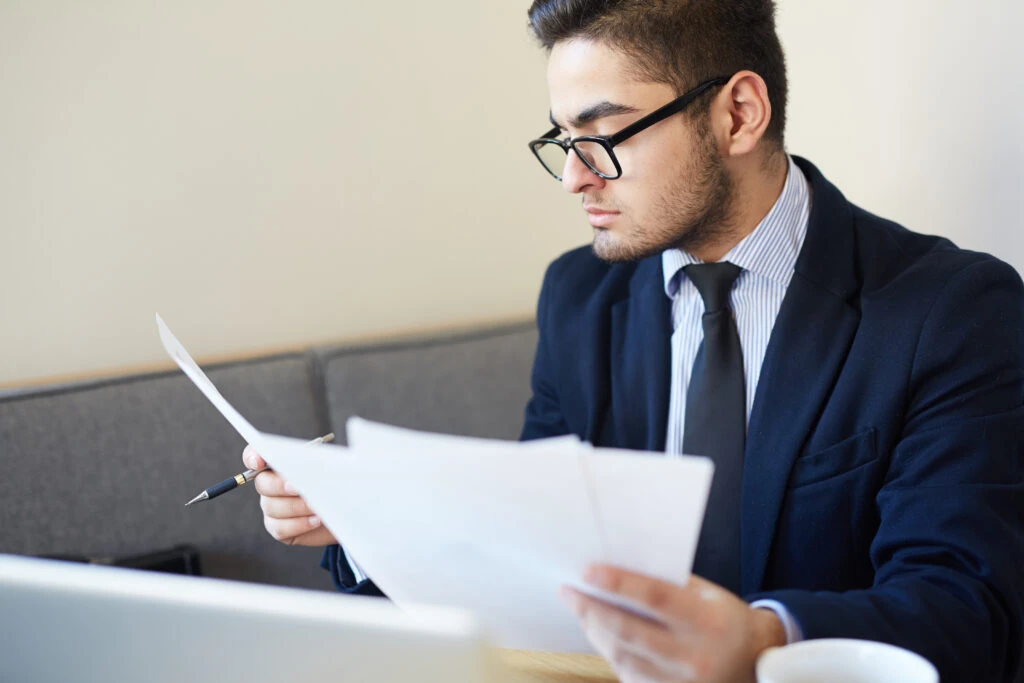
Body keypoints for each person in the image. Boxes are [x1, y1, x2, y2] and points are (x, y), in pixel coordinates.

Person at [244, 1, 1024, 680]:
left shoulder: (951, 311)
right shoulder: (580, 298)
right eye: (561, 139)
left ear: (739, 114)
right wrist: (364, 521)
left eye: (603, 134)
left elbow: (966, 609)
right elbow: (533, 561)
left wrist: (763, 640)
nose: (574, 178)